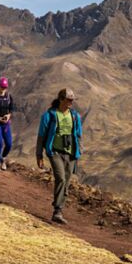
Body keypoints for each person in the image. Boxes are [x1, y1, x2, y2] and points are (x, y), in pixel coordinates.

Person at [36, 88, 83, 224]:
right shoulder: (49, 115)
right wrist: (39, 155)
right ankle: (57, 210)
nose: (71, 102)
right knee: (61, 178)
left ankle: (59, 210)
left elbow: (78, 134)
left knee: (66, 182)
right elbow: (41, 136)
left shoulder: (75, 116)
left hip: (70, 153)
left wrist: (78, 151)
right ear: (61, 99)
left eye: (72, 100)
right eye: (68, 100)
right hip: (55, 152)